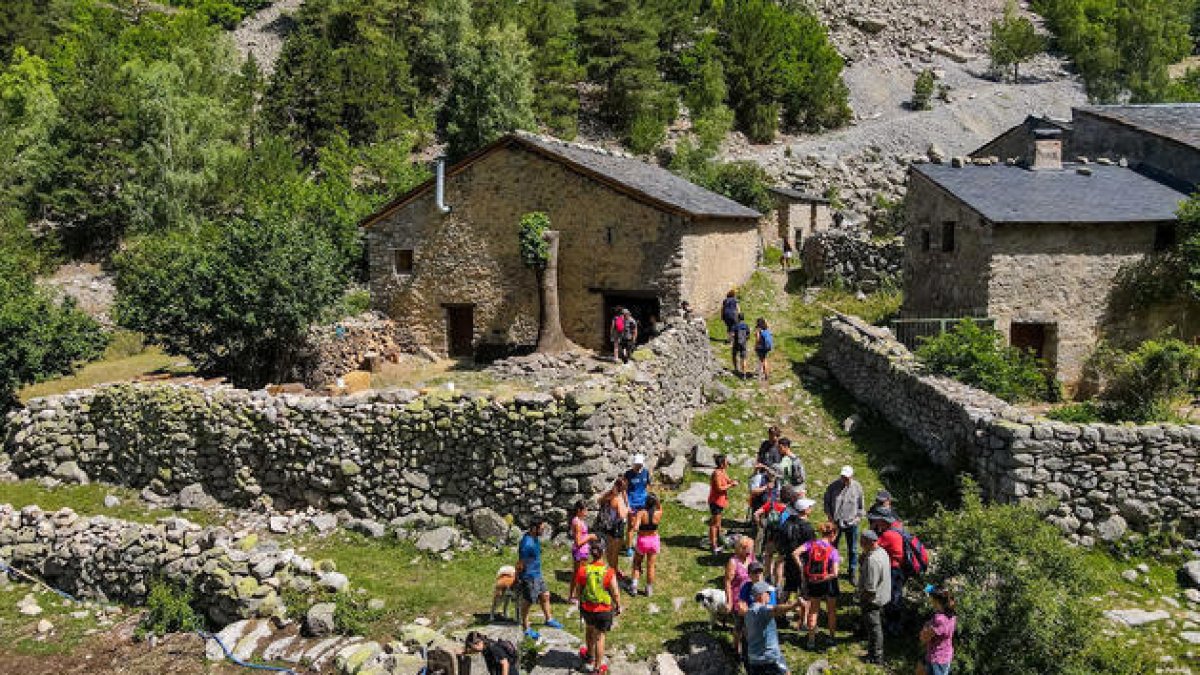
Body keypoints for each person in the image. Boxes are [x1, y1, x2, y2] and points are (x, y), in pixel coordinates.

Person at [573, 542, 622, 674]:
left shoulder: (583, 570)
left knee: (589, 630)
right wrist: (618, 605)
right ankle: (597, 668)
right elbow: (615, 592)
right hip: (603, 610)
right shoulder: (608, 571)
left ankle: (589, 655)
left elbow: (578, 589)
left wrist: (580, 602)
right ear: (603, 553)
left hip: (587, 608)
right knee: (600, 637)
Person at [737, 581, 803, 675]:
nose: (770, 595)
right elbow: (776, 610)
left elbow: (746, 635)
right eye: (768, 593)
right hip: (770, 658)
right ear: (761, 595)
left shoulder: (748, 612)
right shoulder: (761, 610)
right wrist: (794, 605)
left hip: (754, 660)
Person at [796, 521, 840, 648]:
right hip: (829, 583)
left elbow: (795, 553)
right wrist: (825, 578)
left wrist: (803, 569)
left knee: (813, 610)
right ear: (834, 534)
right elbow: (835, 573)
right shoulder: (833, 551)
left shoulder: (811, 544)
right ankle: (832, 638)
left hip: (813, 581)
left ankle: (811, 640)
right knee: (831, 611)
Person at [516, 518, 563, 639]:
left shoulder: (534, 538)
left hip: (537, 574)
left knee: (545, 595)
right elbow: (520, 563)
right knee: (529, 601)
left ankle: (549, 619)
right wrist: (520, 578)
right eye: (541, 529)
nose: (542, 531)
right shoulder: (526, 544)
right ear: (533, 528)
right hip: (529, 577)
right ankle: (526, 627)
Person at [823, 465, 865, 580]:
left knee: (853, 548)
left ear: (852, 477)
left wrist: (856, 520)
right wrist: (830, 517)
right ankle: (831, 567)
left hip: (851, 523)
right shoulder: (833, 486)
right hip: (835, 523)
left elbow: (861, 508)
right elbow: (826, 503)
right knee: (832, 546)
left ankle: (852, 572)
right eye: (842, 477)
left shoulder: (857, 488)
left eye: (846, 477)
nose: (844, 479)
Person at [776, 497, 816, 616]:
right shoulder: (807, 528)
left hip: (789, 561)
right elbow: (812, 547)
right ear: (804, 510)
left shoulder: (786, 523)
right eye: (809, 507)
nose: (811, 508)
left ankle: (778, 614)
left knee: (788, 588)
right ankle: (803, 621)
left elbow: (780, 542)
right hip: (802, 563)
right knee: (805, 593)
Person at [869, 509, 906, 636]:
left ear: (882, 521)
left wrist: (873, 529)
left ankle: (893, 627)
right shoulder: (897, 528)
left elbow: (872, 547)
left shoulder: (888, 535)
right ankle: (895, 625)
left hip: (893, 570)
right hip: (899, 568)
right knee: (896, 596)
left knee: (892, 598)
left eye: (877, 520)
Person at [858, 530, 891, 665]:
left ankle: (876, 657)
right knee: (875, 627)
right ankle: (873, 652)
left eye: (863, 542)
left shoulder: (873, 560)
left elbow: (870, 588)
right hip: (883, 596)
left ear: (870, 542)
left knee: (874, 628)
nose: (860, 544)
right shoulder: (882, 552)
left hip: (873, 600)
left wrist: (861, 598)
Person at [724, 536, 756, 658]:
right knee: (739, 625)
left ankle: (747, 648)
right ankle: (735, 647)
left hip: (751, 596)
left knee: (749, 624)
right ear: (740, 548)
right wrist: (729, 601)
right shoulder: (733, 562)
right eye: (747, 549)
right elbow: (727, 582)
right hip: (738, 598)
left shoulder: (751, 558)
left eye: (750, 549)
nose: (749, 552)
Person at [596, 477, 630, 577]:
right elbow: (622, 515)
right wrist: (627, 509)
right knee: (614, 552)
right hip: (616, 527)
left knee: (609, 549)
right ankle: (612, 574)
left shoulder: (609, 494)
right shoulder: (617, 499)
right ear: (623, 488)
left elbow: (599, 500)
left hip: (607, 526)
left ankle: (614, 569)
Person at [630, 493, 662, 596]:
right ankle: (648, 589)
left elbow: (635, 528)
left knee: (637, 563)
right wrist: (657, 501)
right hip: (653, 541)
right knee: (650, 566)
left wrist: (634, 519)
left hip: (643, 541)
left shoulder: (641, 513)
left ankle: (634, 586)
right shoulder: (659, 513)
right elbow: (659, 506)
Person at [920, 586, 957, 675]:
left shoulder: (940, 620)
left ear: (936, 602)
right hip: (945, 656)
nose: (930, 601)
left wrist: (925, 628)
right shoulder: (951, 615)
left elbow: (924, 638)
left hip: (937, 659)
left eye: (931, 599)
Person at [568, 501, 599, 603]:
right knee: (579, 575)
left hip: (583, 551)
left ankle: (575, 595)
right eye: (585, 510)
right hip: (579, 552)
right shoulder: (577, 523)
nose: (587, 512)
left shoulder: (579, 520)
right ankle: (577, 596)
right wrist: (590, 536)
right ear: (579, 510)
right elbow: (578, 542)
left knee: (578, 574)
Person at [707, 454, 738, 554]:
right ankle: (713, 545)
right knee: (714, 524)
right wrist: (730, 485)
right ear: (721, 463)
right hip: (715, 501)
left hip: (720, 501)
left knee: (718, 523)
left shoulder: (722, 471)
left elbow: (728, 480)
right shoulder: (716, 473)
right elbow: (719, 488)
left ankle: (718, 540)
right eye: (726, 461)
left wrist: (732, 481)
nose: (727, 463)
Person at [623, 454, 651, 556]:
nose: (638, 466)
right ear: (633, 464)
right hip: (632, 503)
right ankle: (629, 548)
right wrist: (627, 505)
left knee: (643, 525)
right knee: (631, 525)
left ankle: (641, 545)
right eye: (637, 464)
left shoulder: (645, 473)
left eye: (640, 464)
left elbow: (647, 485)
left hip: (643, 503)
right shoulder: (628, 474)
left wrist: (648, 499)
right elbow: (624, 490)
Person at [731, 313, 751, 377]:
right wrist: (745, 340)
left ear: (738, 318)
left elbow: (732, 334)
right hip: (743, 343)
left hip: (736, 343)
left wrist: (733, 339)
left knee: (734, 355)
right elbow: (748, 334)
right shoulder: (746, 325)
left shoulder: (736, 325)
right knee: (743, 358)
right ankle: (744, 374)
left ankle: (736, 369)